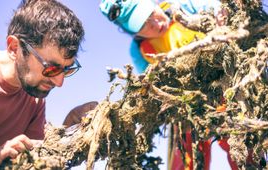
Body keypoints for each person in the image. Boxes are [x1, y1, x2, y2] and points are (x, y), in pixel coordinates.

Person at [99, 0, 256, 170]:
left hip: (224, 90)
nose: (155, 23)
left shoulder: (184, 5)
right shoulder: (139, 50)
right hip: (185, 107)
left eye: (151, 14)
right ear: (133, 33)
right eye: (143, 25)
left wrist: (221, 13)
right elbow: (151, 84)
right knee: (186, 158)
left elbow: (217, 7)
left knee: (243, 149)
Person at [0, 0, 84, 165]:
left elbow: (39, 160)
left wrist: (70, 123)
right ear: (14, 48)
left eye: (67, 69)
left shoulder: (35, 100)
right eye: (51, 68)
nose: (59, 82)